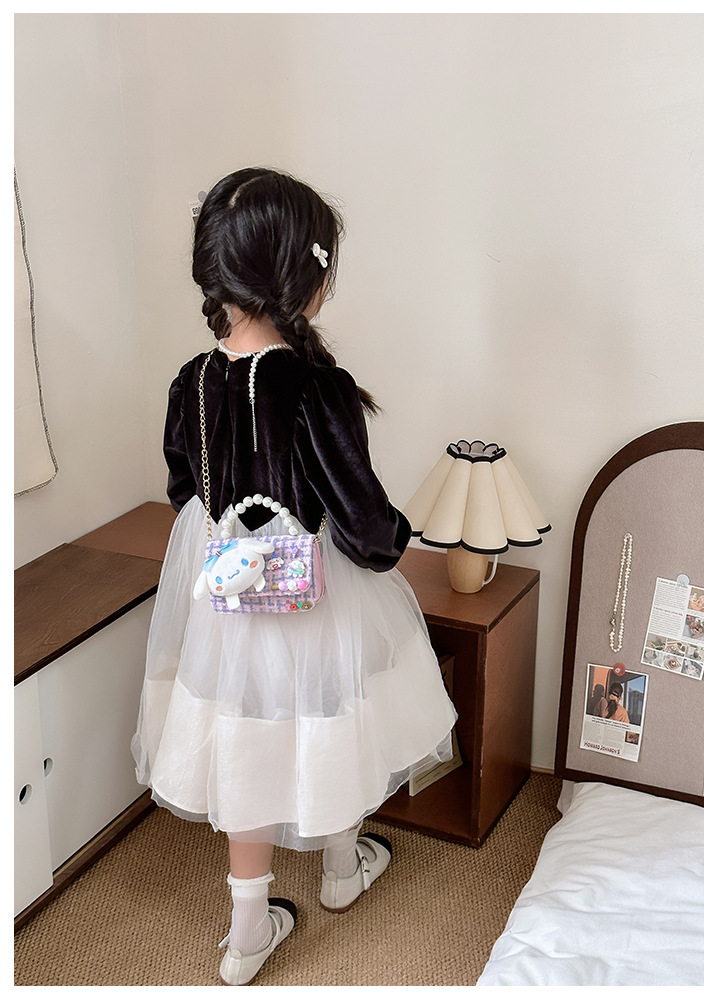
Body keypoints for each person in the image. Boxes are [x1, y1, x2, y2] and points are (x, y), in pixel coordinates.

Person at [131, 167, 457, 986]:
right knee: (332, 712)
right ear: (302, 277)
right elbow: (364, 522)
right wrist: (395, 545)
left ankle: (247, 935)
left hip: (226, 588)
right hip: (315, 592)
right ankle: (342, 870)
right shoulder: (318, 389)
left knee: (245, 734)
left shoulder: (191, 380)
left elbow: (184, 488)